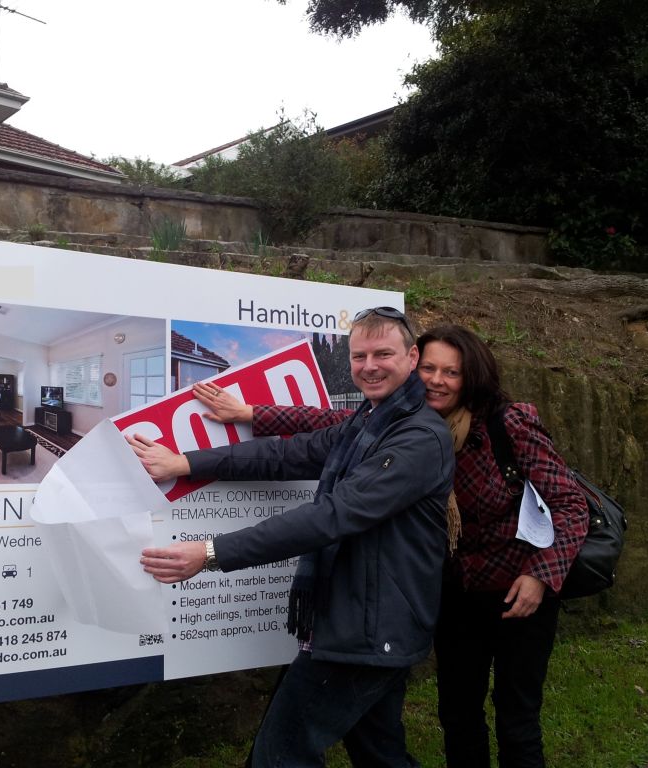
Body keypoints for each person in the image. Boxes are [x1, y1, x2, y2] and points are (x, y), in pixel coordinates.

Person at [191, 323, 589, 768]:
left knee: (517, 717)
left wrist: (540, 574)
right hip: (455, 591)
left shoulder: (506, 424)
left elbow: (570, 504)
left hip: (519, 589)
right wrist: (249, 413)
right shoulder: (401, 422)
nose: (437, 380)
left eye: (451, 372)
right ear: (415, 366)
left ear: (472, 376)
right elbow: (327, 426)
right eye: (430, 369)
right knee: (458, 714)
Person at [127, 307, 455, 768]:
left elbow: (333, 516)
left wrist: (211, 552)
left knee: (279, 757)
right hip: (375, 624)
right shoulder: (367, 422)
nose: (369, 366)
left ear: (411, 355)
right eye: (359, 355)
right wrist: (188, 463)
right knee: (379, 753)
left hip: (368, 631)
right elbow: (286, 454)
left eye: (383, 353)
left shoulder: (418, 438)